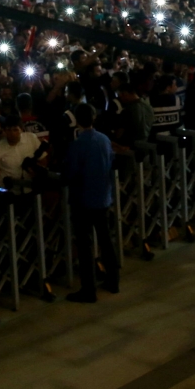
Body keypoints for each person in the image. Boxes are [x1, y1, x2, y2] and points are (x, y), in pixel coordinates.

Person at [63, 103, 118, 303]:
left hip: (83, 199)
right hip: (103, 196)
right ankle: (113, 280)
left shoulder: (77, 144)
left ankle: (89, 289)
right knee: (106, 239)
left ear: (77, 119)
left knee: (85, 245)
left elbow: (70, 173)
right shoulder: (104, 139)